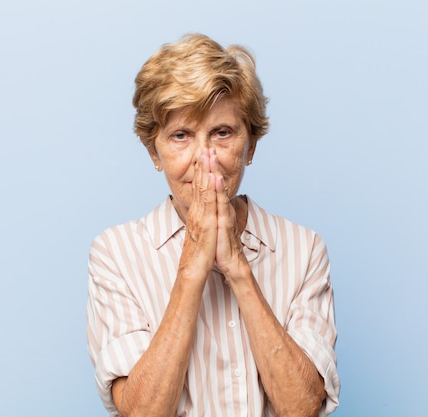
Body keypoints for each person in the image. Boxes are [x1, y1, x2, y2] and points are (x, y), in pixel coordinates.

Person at [87, 33, 339, 417]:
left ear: (250, 147)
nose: (205, 160)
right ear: (154, 151)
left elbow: (303, 408)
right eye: (181, 136)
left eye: (222, 133)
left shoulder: (303, 249)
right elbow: (140, 412)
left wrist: (238, 268)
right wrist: (193, 264)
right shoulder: (115, 254)